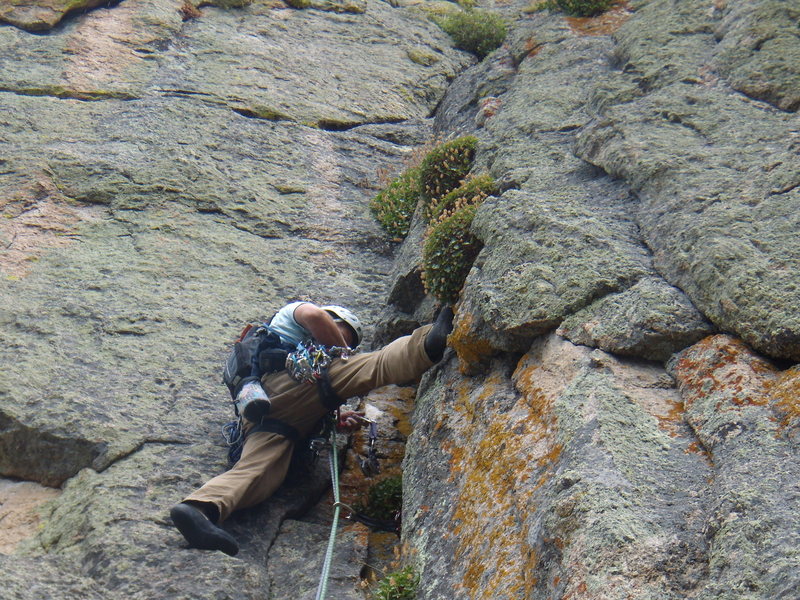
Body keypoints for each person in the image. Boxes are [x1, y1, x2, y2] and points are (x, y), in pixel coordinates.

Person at [170, 301, 454, 555]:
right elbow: (314, 316)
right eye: (345, 333)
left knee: (259, 471)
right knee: (372, 364)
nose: (346, 344)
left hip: (269, 415)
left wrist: (338, 419)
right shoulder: (292, 316)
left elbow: (307, 401)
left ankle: (200, 510)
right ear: (336, 320)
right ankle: (426, 344)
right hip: (287, 379)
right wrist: (345, 353)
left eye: (350, 341)